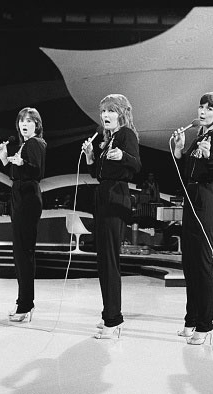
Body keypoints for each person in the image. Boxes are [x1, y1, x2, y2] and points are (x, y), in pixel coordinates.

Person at [171, 92, 213, 345]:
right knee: (189, 264)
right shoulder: (200, 136)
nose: (202, 111)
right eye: (201, 107)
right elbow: (187, 172)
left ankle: (205, 325)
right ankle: (191, 319)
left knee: (202, 265)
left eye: (209, 109)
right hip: (191, 198)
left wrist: (208, 156)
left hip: (205, 201)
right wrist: (179, 151)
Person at [81, 94, 141, 339]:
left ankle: (114, 320)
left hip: (116, 198)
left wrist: (123, 157)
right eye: (103, 111)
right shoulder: (109, 139)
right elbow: (98, 173)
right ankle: (109, 314)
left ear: (122, 114)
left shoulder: (126, 135)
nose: (105, 116)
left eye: (111, 111)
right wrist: (90, 156)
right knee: (103, 261)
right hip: (104, 197)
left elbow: (136, 165)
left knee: (110, 262)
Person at [0, 107, 47, 323]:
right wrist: (5, 159)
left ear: (37, 124)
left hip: (27, 199)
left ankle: (25, 305)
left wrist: (23, 163)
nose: (24, 124)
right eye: (21, 121)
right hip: (20, 197)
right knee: (20, 253)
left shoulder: (35, 143)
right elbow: (17, 173)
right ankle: (23, 303)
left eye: (29, 120)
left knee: (24, 253)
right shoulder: (24, 144)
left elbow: (38, 171)